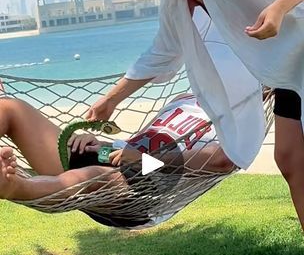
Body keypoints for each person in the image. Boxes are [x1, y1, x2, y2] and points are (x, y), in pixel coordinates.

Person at [85, 0, 304, 255]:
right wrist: (113, 98)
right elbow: (163, 52)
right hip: (289, 70)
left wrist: (277, 9)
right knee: (291, 162)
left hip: (301, 51)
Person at [0, 94, 235, 229]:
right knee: (10, 108)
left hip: (146, 189)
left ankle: (14, 186)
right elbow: (139, 141)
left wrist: (146, 159)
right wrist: (98, 144)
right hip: (113, 157)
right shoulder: (184, 99)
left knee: (95, 176)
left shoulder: (240, 119)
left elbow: (222, 160)